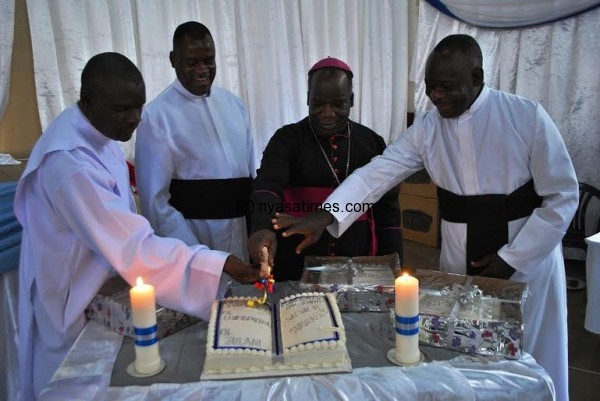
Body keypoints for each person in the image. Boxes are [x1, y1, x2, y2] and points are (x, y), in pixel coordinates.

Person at [273, 35, 578, 401]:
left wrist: (512, 258)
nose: (436, 97)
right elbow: (378, 173)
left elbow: (562, 196)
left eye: (447, 87)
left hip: (529, 258)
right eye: (431, 87)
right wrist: (325, 215)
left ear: (477, 77)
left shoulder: (526, 116)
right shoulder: (429, 129)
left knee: (532, 355)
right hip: (458, 255)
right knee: (463, 350)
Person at [14, 52, 262, 400]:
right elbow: (132, 244)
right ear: (88, 99)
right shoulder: (69, 164)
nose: (134, 120)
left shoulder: (99, 132)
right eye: (122, 110)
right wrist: (218, 263)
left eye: (139, 107)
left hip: (106, 289)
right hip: (69, 295)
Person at [248, 57, 403, 281]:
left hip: (357, 255)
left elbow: (387, 208)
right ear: (307, 99)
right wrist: (261, 227)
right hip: (297, 256)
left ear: (351, 100)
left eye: (338, 104)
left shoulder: (371, 142)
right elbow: (267, 186)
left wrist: (393, 260)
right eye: (318, 104)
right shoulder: (287, 138)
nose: (327, 113)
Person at [135, 21, 256, 262]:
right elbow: (155, 202)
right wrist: (196, 254)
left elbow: (249, 174)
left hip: (243, 234)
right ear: (173, 59)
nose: (202, 70)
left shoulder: (234, 105)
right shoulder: (157, 116)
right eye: (192, 62)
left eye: (209, 60)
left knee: (247, 299)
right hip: (196, 239)